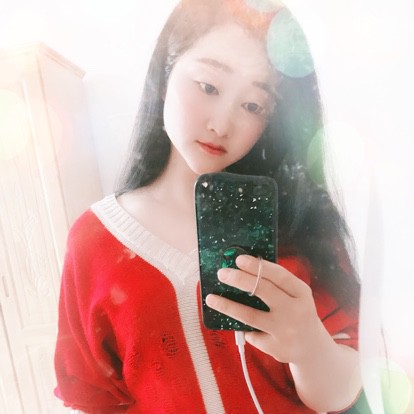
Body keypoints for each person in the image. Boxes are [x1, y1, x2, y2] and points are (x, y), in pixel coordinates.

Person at [54, 0, 363, 413]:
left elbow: (345, 391)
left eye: (253, 105)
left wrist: (309, 348)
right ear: (165, 75)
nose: (221, 124)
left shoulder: (301, 225)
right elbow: (92, 396)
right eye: (208, 86)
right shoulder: (94, 240)